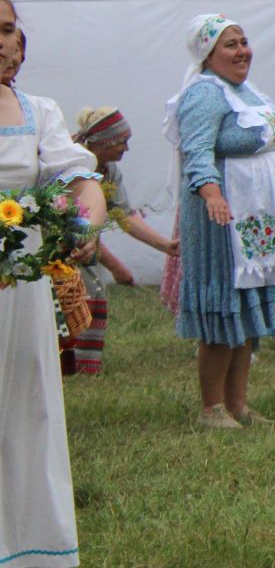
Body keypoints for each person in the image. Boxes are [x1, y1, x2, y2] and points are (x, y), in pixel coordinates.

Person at [0, 0, 107, 568]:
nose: (2, 41)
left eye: (9, 30)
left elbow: (79, 179)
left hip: (18, 293)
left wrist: (85, 223)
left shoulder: (39, 113)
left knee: (16, 421)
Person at [164, 14, 275, 429]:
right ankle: (211, 407)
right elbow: (197, 152)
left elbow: (257, 141)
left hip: (258, 218)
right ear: (207, 53)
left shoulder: (246, 92)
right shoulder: (204, 95)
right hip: (224, 218)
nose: (242, 51)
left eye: (244, 42)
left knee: (246, 314)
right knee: (223, 309)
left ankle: (238, 405)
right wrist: (212, 194)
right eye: (230, 44)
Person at [59, 107, 175, 377]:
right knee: (76, 295)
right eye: (122, 141)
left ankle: (84, 367)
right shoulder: (71, 169)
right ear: (102, 142)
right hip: (62, 248)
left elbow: (124, 215)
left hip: (85, 245)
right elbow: (70, 228)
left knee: (93, 290)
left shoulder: (109, 172)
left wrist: (165, 246)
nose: (126, 149)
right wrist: (115, 266)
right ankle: (66, 365)